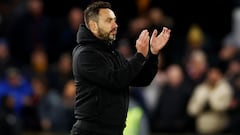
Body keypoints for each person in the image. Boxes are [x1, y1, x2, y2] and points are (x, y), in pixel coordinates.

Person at [70, 1, 171, 135]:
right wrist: (140, 55)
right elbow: (116, 80)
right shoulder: (84, 54)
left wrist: (152, 54)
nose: (115, 25)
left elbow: (142, 80)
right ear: (94, 26)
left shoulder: (113, 54)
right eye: (109, 21)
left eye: (115, 21)